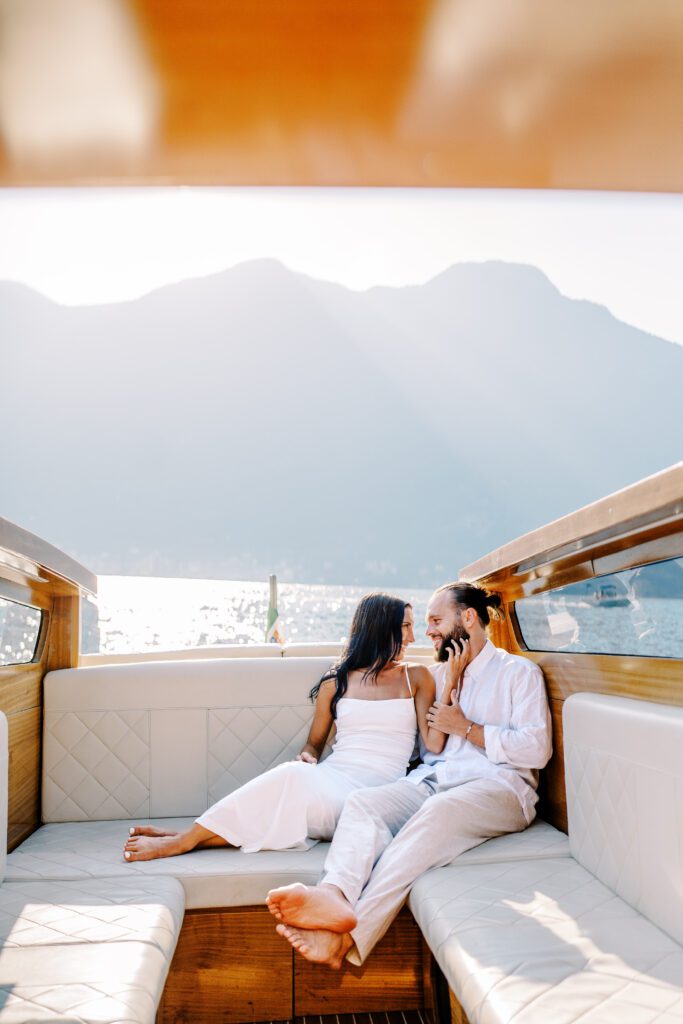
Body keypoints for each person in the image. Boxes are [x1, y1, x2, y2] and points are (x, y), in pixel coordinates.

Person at [267, 581, 552, 968]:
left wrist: (468, 728)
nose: (429, 631)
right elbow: (421, 746)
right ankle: (333, 894)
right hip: (433, 782)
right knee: (364, 804)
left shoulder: (518, 673)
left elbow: (537, 749)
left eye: (436, 620)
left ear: (468, 619)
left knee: (437, 814)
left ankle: (347, 937)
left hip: (498, 787)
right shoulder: (434, 676)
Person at [122, 592, 448, 862]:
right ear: (381, 628)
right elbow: (314, 745)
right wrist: (307, 757)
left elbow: (433, 744)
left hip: (375, 792)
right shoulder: (336, 682)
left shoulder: (416, 677)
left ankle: (185, 839)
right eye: (405, 627)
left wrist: (453, 680)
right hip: (332, 777)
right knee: (294, 775)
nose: (412, 637)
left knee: (290, 785)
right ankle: (188, 838)